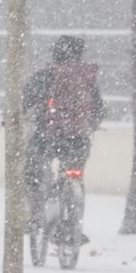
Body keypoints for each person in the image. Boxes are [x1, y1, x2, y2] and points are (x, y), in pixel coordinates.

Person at [23, 36, 102, 212]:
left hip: (46, 139)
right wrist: (92, 123)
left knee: (32, 171)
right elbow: (98, 108)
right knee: (74, 176)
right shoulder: (87, 78)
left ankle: (35, 215)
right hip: (79, 140)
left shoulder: (46, 75)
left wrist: (12, 116)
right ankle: (73, 224)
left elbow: (26, 100)